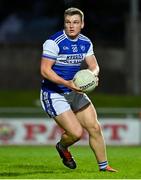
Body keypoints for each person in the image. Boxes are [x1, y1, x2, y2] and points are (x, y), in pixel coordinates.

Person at [40, 7, 117, 172]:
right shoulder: (54, 42)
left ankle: (104, 167)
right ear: (64, 23)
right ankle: (62, 147)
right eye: (68, 22)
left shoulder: (85, 42)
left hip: (74, 91)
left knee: (95, 127)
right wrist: (68, 84)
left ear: (82, 24)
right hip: (54, 93)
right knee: (76, 133)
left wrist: (93, 75)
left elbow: (94, 66)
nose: (71, 26)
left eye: (75, 22)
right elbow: (45, 71)